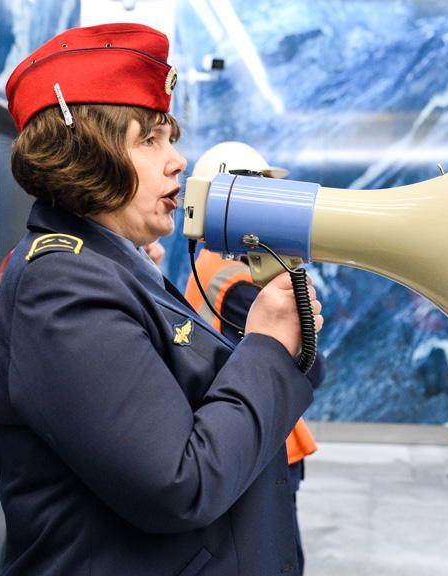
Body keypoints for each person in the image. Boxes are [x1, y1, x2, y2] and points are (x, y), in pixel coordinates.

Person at [0, 23, 323, 576]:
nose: (178, 160)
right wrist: (265, 347)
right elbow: (179, 484)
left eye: (171, 138)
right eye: (149, 140)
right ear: (84, 152)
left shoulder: (107, 268)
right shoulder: (63, 286)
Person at [183, 142, 322, 575]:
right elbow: (311, 369)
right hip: (264, 435)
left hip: (244, 427)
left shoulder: (209, 266)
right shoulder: (241, 280)